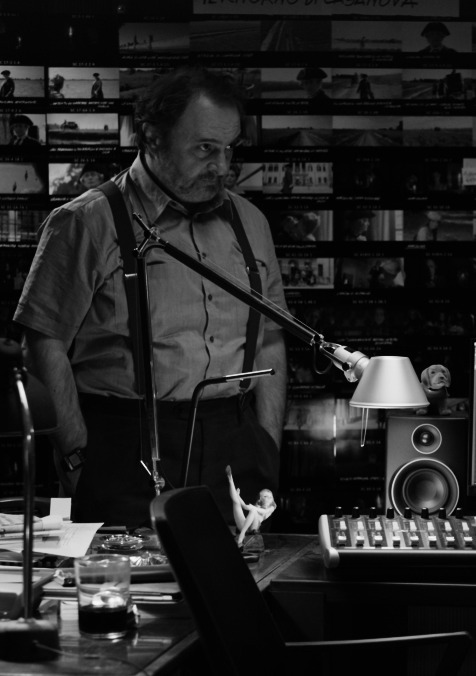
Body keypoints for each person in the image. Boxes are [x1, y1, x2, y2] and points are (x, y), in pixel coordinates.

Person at [16, 64, 285, 530]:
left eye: (230, 148)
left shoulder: (251, 223)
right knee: (130, 575)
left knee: (231, 573)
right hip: (125, 444)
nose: (222, 167)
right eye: (205, 148)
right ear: (153, 137)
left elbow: (271, 339)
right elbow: (42, 344)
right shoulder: (85, 221)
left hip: (233, 443)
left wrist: (268, 448)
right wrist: (77, 457)